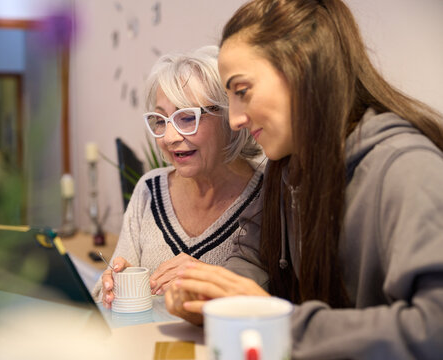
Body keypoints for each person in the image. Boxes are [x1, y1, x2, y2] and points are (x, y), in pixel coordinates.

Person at [165, 1, 443, 359]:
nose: (234, 119)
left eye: (242, 90)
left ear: (303, 69)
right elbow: (253, 257)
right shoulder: (288, 169)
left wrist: (279, 324)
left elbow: (435, 329)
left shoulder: (406, 170)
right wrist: (215, 300)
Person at [92, 45, 264, 308]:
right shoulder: (149, 191)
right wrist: (111, 289)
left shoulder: (269, 197)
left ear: (230, 115)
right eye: (161, 121)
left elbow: (275, 304)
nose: (170, 138)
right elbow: (101, 298)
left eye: (187, 117)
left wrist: (205, 280)